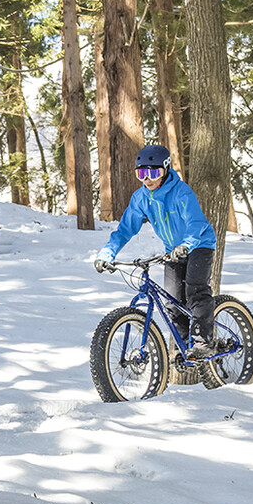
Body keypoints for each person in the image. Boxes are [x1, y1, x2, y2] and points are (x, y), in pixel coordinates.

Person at [93, 144, 218, 359]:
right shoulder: (140, 198)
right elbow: (125, 230)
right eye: (141, 173)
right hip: (173, 251)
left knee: (195, 290)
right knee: (172, 302)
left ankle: (202, 341)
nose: (147, 179)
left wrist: (187, 245)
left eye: (153, 172)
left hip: (199, 244)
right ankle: (185, 348)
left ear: (166, 169)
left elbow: (195, 223)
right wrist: (107, 253)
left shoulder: (181, 192)